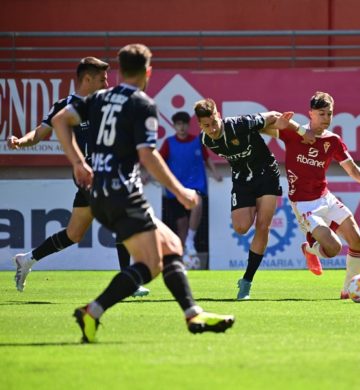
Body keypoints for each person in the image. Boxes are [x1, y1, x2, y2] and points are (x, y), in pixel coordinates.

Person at [52, 43, 234, 343]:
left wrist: (78, 163)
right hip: (123, 191)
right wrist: (181, 192)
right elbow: (148, 155)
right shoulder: (142, 104)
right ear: (148, 71)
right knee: (150, 263)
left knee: (171, 245)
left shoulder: (98, 98)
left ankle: (192, 313)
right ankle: (92, 312)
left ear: (120, 70)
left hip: (99, 193)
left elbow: (60, 120)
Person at [7, 57, 150, 298]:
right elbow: (40, 133)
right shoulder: (65, 106)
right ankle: (129, 282)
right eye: (102, 78)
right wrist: (20, 141)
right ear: (87, 79)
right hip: (88, 173)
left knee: (74, 234)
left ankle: (27, 259)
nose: (107, 82)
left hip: (108, 172)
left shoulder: (108, 102)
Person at [263, 91, 360, 299]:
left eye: (330, 114)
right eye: (321, 114)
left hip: (325, 197)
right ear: (310, 113)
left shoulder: (333, 141)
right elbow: (261, 125)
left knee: (358, 240)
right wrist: (287, 125)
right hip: (303, 205)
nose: (326, 119)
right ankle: (311, 250)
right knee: (333, 248)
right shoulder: (294, 134)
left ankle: (348, 291)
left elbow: (351, 167)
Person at [194, 99, 305, 300]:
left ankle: (247, 281)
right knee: (241, 227)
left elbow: (270, 115)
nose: (211, 129)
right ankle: (251, 216)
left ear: (218, 116)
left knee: (263, 226)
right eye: (205, 126)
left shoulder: (239, 124)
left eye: (213, 123)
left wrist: (290, 127)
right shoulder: (206, 140)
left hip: (266, 174)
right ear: (200, 125)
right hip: (242, 180)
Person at [159, 111, 222, 266]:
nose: (182, 127)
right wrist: (147, 175)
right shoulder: (168, 143)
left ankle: (190, 240)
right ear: (174, 126)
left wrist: (215, 174)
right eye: (178, 124)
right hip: (176, 190)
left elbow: (207, 159)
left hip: (196, 185)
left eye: (184, 124)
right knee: (182, 226)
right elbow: (158, 161)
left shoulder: (197, 141)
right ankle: (181, 259)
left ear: (188, 125)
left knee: (197, 202)